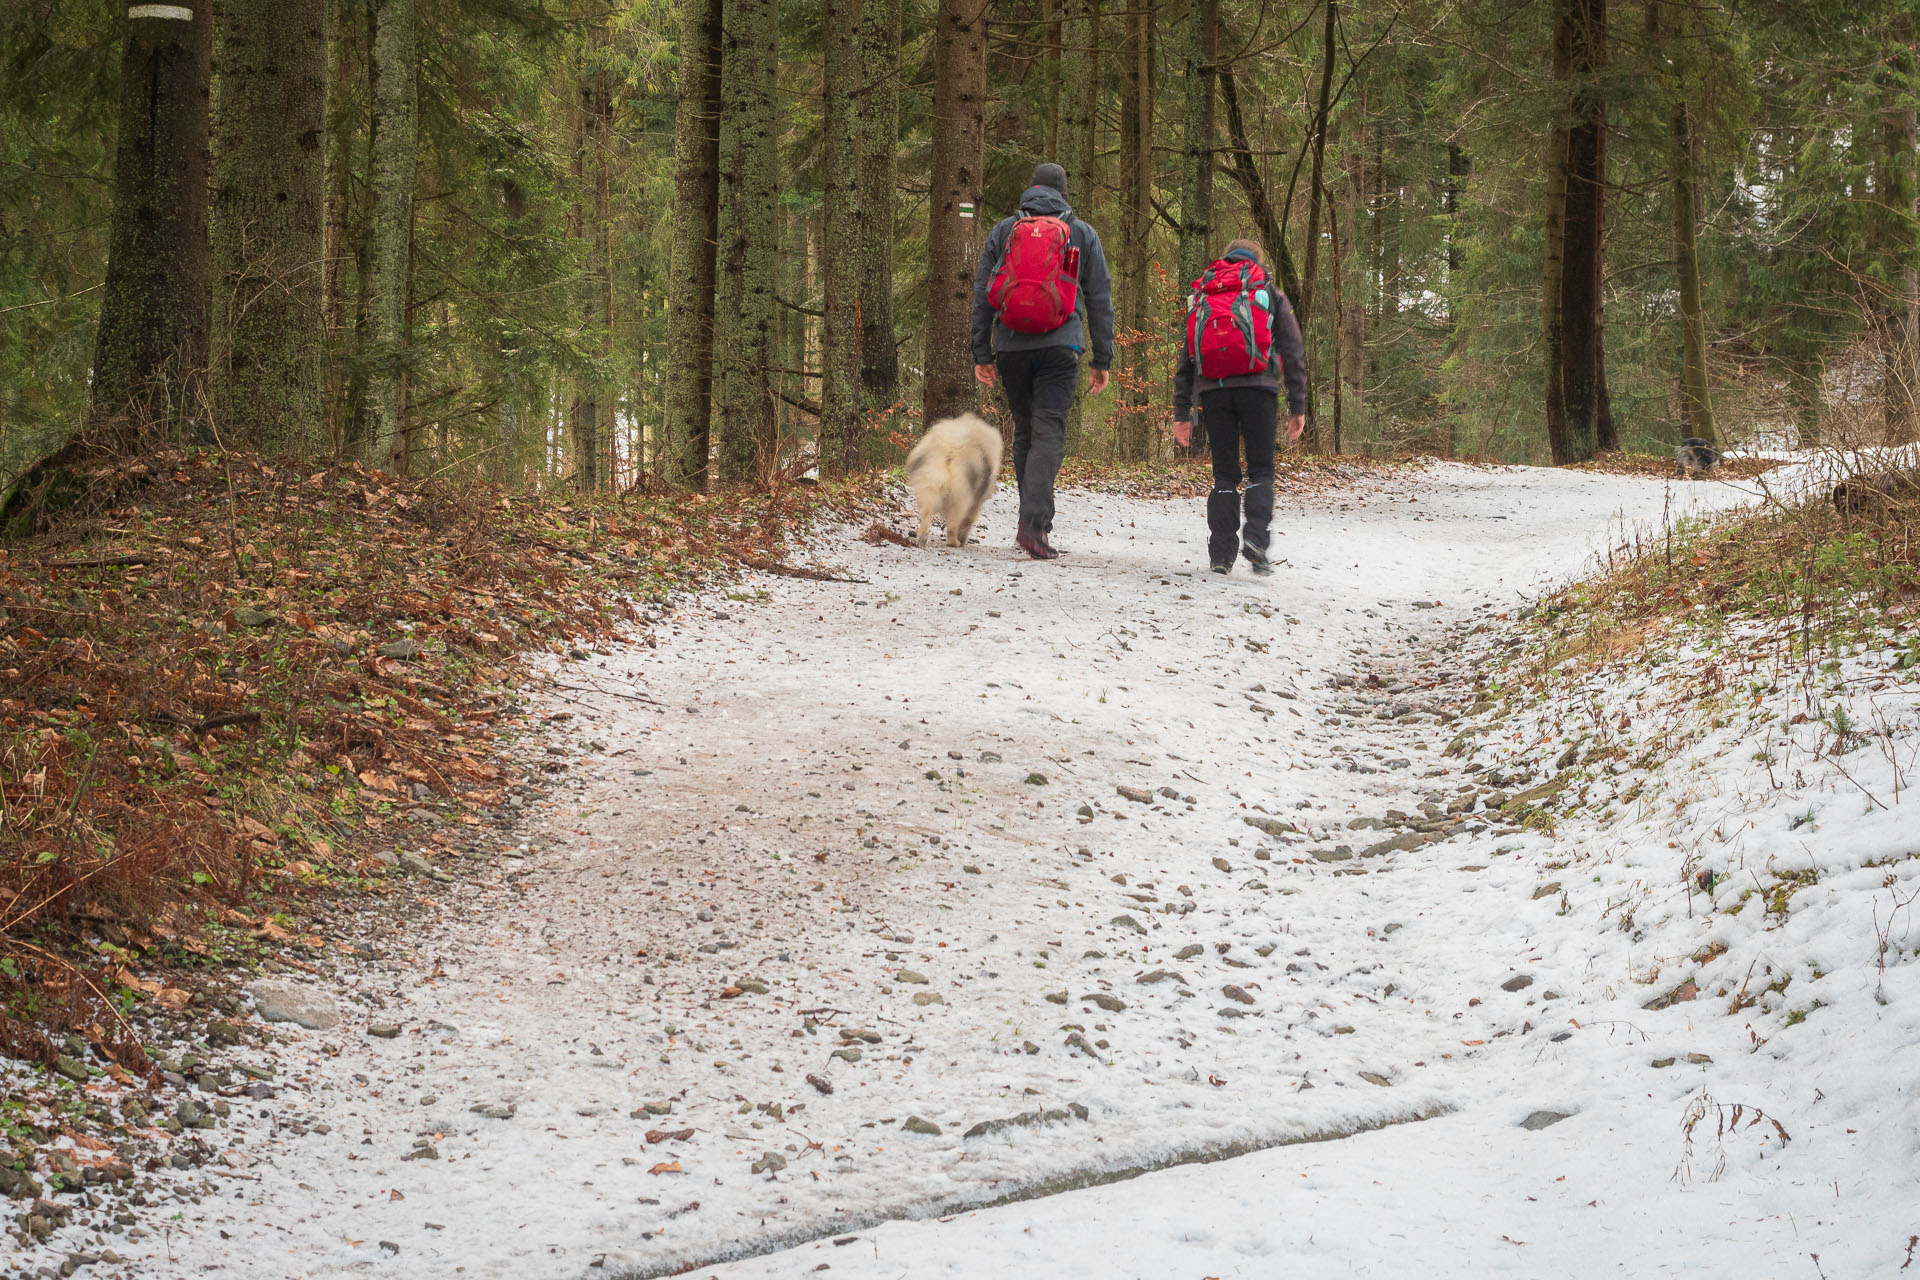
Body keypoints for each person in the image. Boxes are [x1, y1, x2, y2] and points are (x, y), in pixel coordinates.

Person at [971, 162, 1115, 560]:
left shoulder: (1004, 231)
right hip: (1060, 347)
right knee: (1049, 429)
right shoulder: (1080, 234)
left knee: (1024, 431)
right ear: (1064, 193)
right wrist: (1102, 358)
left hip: (1012, 345)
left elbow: (984, 293)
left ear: (1030, 190)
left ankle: (1030, 523)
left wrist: (981, 351)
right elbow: (1100, 298)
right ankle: (1034, 526)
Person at [1172, 239, 1308, 576]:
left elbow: (1187, 356)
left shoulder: (1205, 294)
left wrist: (1181, 412)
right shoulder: (1267, 292)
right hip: (1259, 389)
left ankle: (1221, 554)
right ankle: (1256, 541)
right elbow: (1292, 350)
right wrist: (1297, 404)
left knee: (1224, 473)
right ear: (1256, 261)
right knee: (1261, 469)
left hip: (1213, 391)